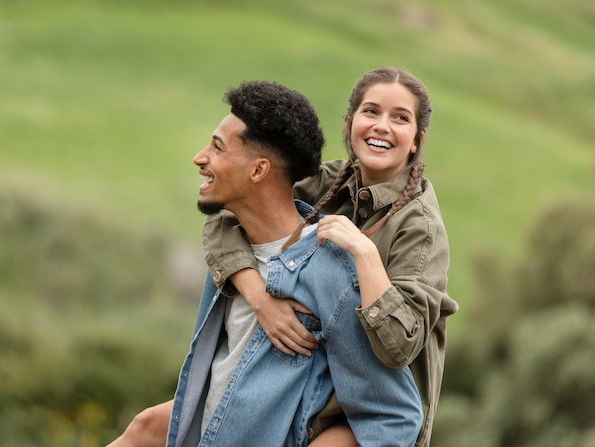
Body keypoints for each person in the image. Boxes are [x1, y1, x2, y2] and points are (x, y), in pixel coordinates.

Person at [107, 80, 423, 447]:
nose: (200, 157)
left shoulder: (332, 274)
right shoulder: (232, 248)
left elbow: (395, 417)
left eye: (217, 147)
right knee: (143, 428)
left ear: (258, 171)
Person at [202, 66, 459, 447]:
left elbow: (400, 346)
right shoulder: (330, 181)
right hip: (310, 389)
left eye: (400, 118)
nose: (382, 126)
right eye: (371, 112)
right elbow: (230, 207)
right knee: (152, 426)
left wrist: (364, 252)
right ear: (350, 121)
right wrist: (259, 299)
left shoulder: (420, 228)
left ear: (417, 140)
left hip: (374, 416)